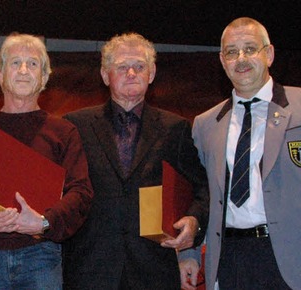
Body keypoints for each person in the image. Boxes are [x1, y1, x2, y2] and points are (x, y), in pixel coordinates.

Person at [62, 32, 209, 289]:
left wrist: (194, 221)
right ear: (105, 75)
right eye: (122, 67)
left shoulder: (175, 128)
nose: (131, 73)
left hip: (153, 271)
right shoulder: (75, 126)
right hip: (88, 270)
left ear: (151, 74)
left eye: (139, 67)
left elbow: (202, 189)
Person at [0, 33, 93, 290]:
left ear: (45, 77)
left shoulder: (63, 132)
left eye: (33, 64)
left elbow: (80, 192)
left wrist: (44, 222)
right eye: (15, 63)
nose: (24, 70)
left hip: (42, 255)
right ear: (0, 73)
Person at [183, 17, 301, 290]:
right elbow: (198, 196)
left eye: (250, 48)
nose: (241, 59)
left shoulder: (298, 106)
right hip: (230, 259)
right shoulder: (205, 123)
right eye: (232, 52)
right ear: (222, 60)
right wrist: (189, 253)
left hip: (291, 257)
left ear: (269, 54)